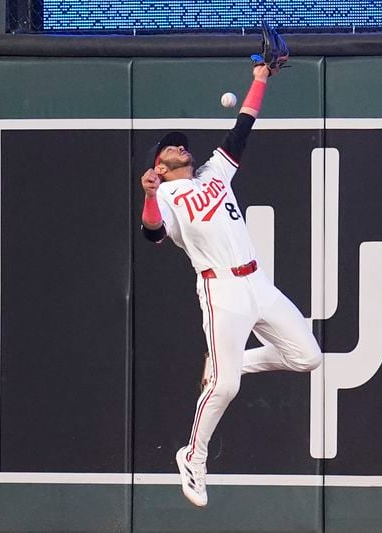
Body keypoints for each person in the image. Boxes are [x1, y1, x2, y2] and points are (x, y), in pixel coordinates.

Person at [140, 62, 322, 507]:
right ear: (159, 167)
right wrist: (147, 194)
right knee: (225, 388)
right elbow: (153, 234)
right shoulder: (164, 194)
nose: (180, 148)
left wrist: (260, 78)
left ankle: (227, 363)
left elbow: (241, 130)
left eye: (181, 146)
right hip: (220, 289)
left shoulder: (213, 175)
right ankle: (194, 456)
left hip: (256, 280)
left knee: (308, 357)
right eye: (170, 149)